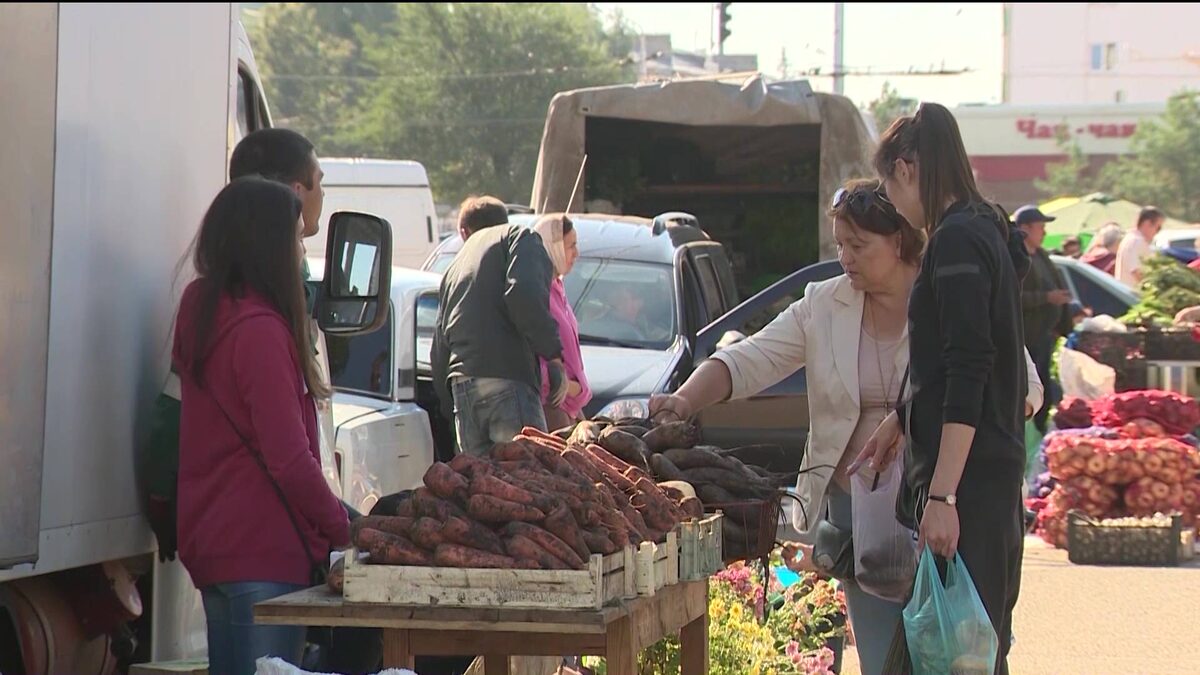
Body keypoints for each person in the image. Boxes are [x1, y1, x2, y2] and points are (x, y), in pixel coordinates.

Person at [648, 180, 1043, 675]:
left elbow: (1023, 387)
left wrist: (921, 424)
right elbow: (749, 359)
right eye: (839, 245)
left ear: (899, 241)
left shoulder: (949, 290)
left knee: (959, 658)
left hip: (944, 511)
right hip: (858, 515)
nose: (846, 258)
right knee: (881, 661)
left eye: (858, 245)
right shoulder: (824, 304)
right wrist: (683, 400)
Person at [863, 103, 1030, 675]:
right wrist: (904, 420)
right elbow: (956, 364)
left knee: (960, 657)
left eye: (890, 185)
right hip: (987, 483)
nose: (896, 204)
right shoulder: (984, 228)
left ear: (907, 168)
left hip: (973, 492)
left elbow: (969, 369)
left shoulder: (958, 242)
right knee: (967, 655)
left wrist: (943, 498)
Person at [173, 177, 350, 675]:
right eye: (296, 238)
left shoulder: (201, 308)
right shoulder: (260, 331)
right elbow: (290, 459)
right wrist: (344, 529)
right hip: (264, 552)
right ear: (268, 245)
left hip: (215, 547)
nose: (300, 252)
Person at [431, 196, 568, 455]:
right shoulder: (520, 236)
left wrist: (450, 410)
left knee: (479, 488)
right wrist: (553, 355)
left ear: (464, 232)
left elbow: (440, 347)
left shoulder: (453, 267)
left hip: (463, 389)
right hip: (508, 381)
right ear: (505, 220)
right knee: (528, 481)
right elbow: (524, 294)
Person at [1013, 205, 1084, 433]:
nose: (1043, 232)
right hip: (1026, 338)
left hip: (1045, 336)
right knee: (1029, 389)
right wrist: (1047, 298)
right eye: (1040, 227)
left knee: (1044, 389)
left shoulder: (1041, 255)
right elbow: (1012, 297)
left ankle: (1040, 429)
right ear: (1024, 228)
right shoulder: (1014, 258)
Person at [533, 214, 592, 430]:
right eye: (570, 246)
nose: (576, 253)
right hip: (552, 408)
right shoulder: (538, 294)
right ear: (553, 247)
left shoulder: (557, 289)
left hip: (572, 408)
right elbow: (536, 361)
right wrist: (567, 387)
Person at [1115, 206, 1166, 287]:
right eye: (1158, 227)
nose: (1157, 232)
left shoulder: (1131, 239)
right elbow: (1137, 272)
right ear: (1147, 223)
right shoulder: (1136, 242)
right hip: (1132, 295)